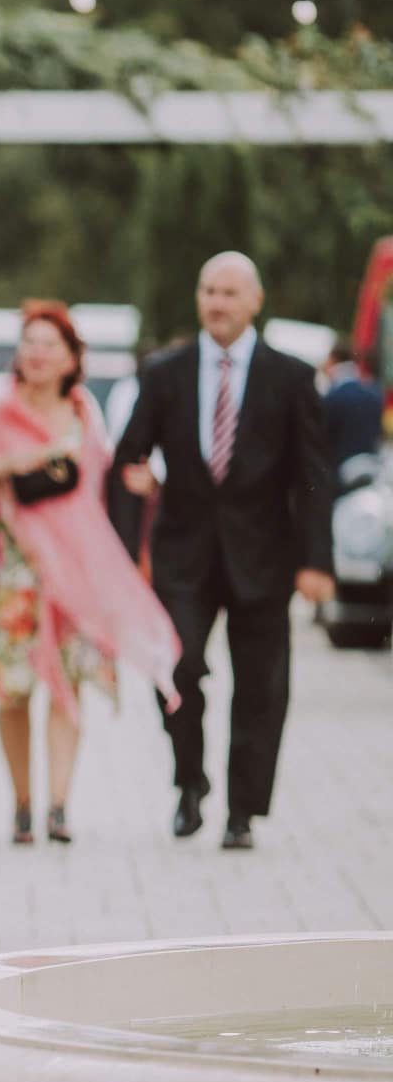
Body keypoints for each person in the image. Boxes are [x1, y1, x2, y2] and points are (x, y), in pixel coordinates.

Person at [114, 252, 335, 850]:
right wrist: (127, 547)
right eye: (209, 290)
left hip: (265, 557)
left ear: (255, 302)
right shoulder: (165, 373)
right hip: (182, 555)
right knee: (177, 668)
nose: (217, 302)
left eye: (230, 292)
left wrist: (317, 561)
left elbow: (313, 475)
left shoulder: (291, 377)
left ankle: (243, 812)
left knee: (261, 686)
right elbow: (128, 458)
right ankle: (190, 781)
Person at [0, 301, 181, 845]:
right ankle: (22, 803)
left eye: (49, 345)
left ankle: (58, 805)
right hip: (15, 574)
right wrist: (9, 463)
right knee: (13, 691)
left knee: (67, 687)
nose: (36, 354)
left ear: (71, 359)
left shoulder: (85, 415)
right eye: (29, 343)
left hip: (75, 575)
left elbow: (102, 489)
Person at [322, 342, 384, 468]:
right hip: (368, 462)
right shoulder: (373, 393)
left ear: (333, 360)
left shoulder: (334, 395)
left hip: (339, 466)